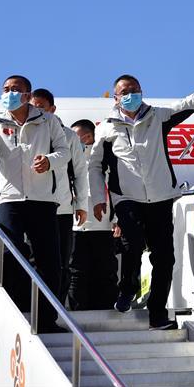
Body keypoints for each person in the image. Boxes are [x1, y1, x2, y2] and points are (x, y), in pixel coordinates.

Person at [90, 70, 194, 330]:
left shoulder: (158, 117)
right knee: (133, 245)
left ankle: (157, 314)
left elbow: (192, 103)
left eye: (135, 90)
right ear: (115, 98)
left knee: (165, 258)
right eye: (125, 92)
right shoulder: (106, 128)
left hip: (161, 197)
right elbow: (95, 165)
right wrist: (98, 198)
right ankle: (127, 288)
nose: (130, 95)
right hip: (127, 197)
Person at [0, 75, 70, 333]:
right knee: (10, 256)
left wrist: (49, 161)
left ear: (27, 95)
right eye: (6, 89)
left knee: (49, 262)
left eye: (15, 89)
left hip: (43, 199)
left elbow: (65, 151)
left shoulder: (48, 121)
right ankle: (14, 313)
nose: (9, 93)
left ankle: (46, 319)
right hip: (9, 200)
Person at [29, 88, 89, 305]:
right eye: (32, 107)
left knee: (62, 261)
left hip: (61, 207)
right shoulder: (27, 132)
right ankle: (35, 307)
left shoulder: (69, 136)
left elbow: (80, 171)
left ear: (52, 109)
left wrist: (81, 204)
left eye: (41, 107)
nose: (36, 111)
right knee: (36, 260)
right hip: (34, 206)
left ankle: (57, 307)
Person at [67, 119, 119, 311]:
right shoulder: (67, 161)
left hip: (103, 226)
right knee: (77, 273)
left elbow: (116, 191)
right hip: (76, 227)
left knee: (106, 272)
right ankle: (78, 314)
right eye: (76, 138)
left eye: (85, 137)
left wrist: (117, 219)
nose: (81, 142)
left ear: (93, 136)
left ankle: (106, 312)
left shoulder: (106, 160)